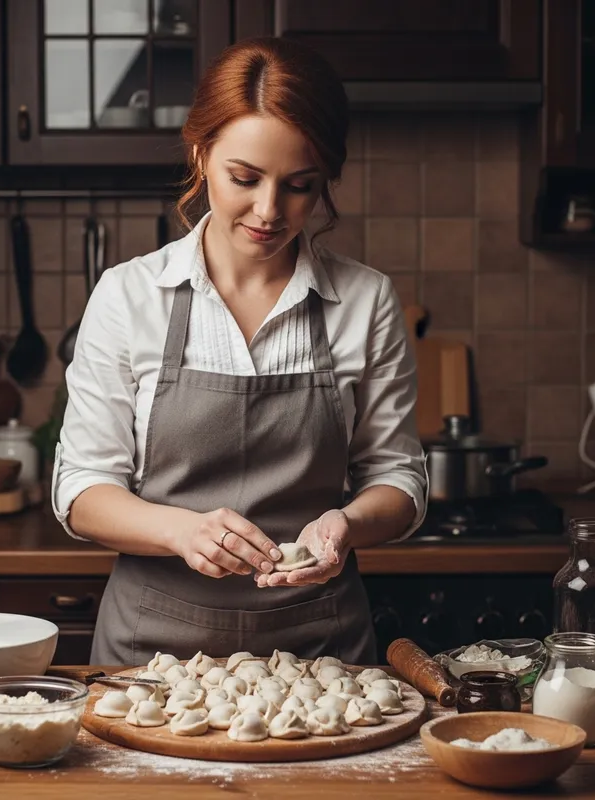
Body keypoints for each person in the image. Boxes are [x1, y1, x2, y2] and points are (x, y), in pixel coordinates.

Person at [52, 37, 427, 667]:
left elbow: (398, 478)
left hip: (323, 656)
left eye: (300, 186)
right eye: (244, 179)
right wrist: (181, 530)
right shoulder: (129, 296)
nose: (269, 211)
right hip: (149, 662)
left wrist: (346, 526)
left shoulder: (366, 300)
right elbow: (82, 487)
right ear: (201, 154)